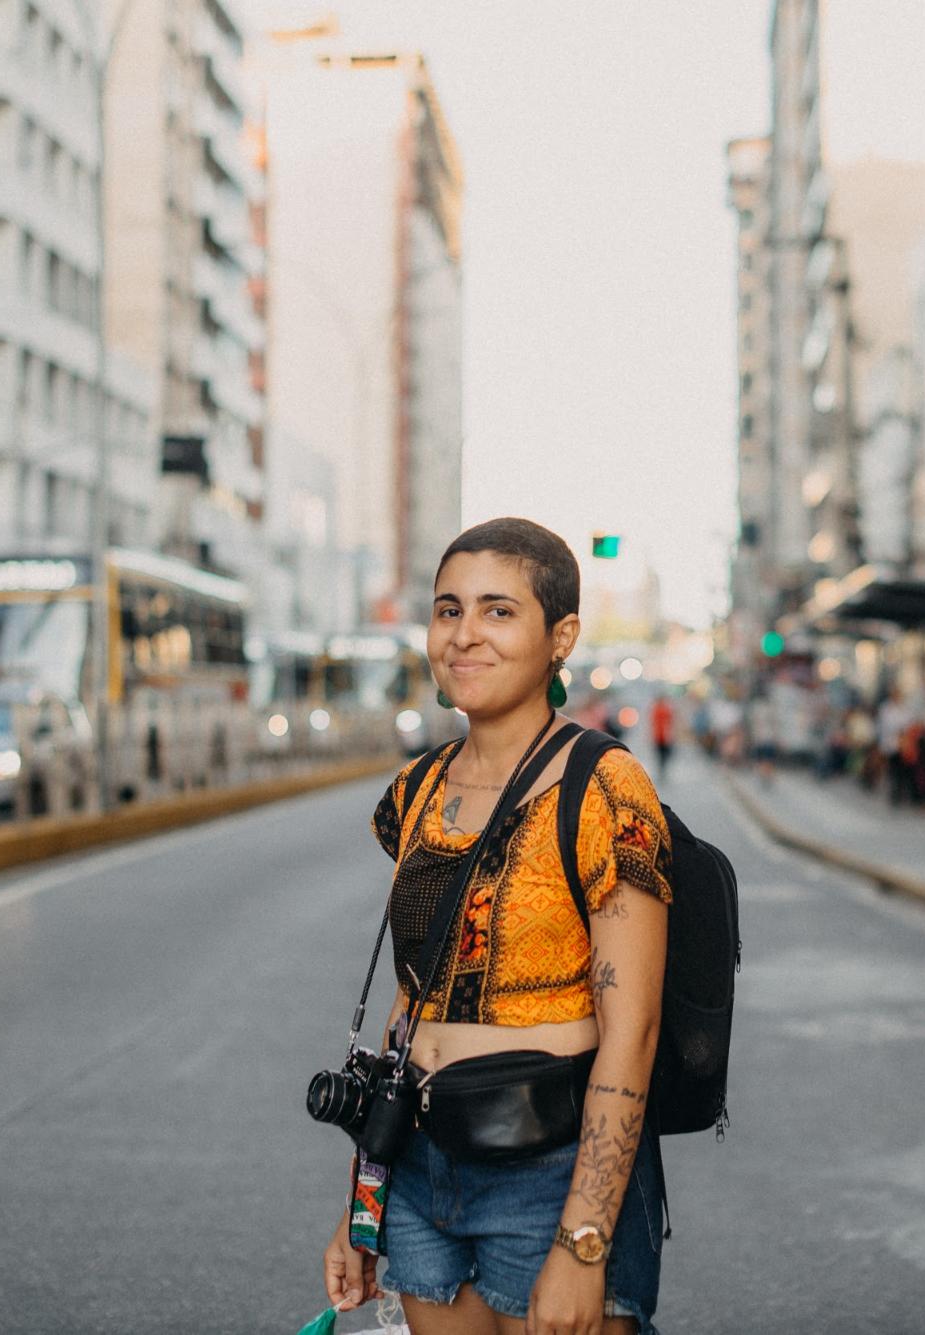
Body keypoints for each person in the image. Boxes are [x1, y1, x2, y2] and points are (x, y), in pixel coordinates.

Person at [324, 518, 672, 1333]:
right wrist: (363, 1203)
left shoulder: (604, 790)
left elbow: (635, 1031)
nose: (464, 634)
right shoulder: (416, 789)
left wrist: (584, 1241)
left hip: (546, 1173)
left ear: (561, 637)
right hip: (417, 1166)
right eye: (448, 610)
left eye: (497, 611)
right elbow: (408, 1013)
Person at [649, 695, 676, 774]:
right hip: (663, 735)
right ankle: (662, 766)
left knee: (661, 753)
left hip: (659, 735)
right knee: (664, 753)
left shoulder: (656, 709)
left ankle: (661, 766)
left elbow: (652, 723)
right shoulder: (664, 709)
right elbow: (670, 722)